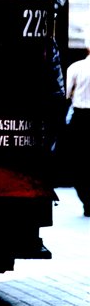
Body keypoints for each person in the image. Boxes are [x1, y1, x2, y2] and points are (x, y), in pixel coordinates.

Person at [65, 45, 90, 216]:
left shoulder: (76, 68)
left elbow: (65, 93)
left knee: (79, 161)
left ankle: (87, 201)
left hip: (82, 118)